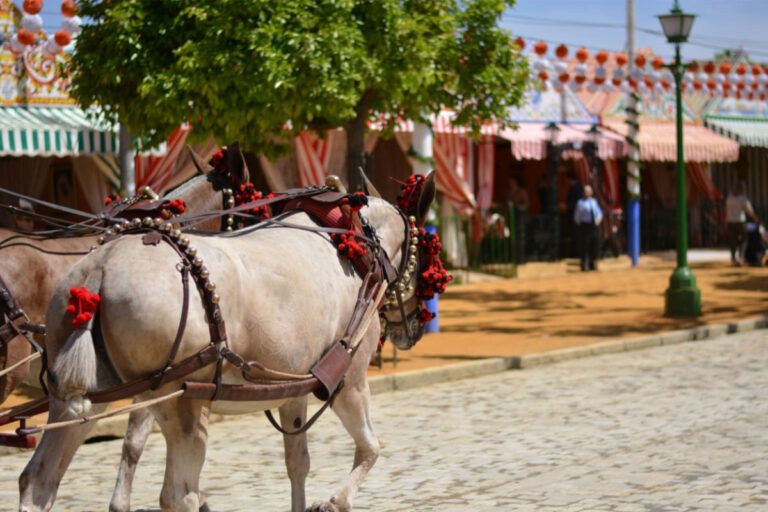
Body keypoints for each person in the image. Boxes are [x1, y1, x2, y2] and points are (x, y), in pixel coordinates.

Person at [725, 181, 759, 265]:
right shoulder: (742, 198)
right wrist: (756, 219)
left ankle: (733, 259)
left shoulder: (729, 198)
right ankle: (741, 256)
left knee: (733, 240)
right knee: (744, 239)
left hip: (730, 221)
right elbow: (749, 211)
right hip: (740, 221)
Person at [573, 184, 603, 271]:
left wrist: (598, 219)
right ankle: (584, 264)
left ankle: (593, 264)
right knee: (585, 246)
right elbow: (577, 217)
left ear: (591, 192)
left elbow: (599, 213)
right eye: (586, 191)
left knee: (594, 245)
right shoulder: (580, 203)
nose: (588, 192)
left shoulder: (594, 202)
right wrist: (582, 225)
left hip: (594, 226)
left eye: (589, 191)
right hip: (585, 226)